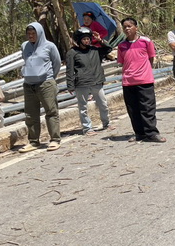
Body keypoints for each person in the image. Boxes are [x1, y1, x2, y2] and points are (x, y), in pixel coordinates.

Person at [117, 17, 166, 143]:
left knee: (147, 108)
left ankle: (152, 133)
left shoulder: (146, 41)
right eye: (125, 27)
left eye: (129, 26)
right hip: (128, 82)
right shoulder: (121, 46)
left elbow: (151, 58)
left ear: (136, 27)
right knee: (133, 109)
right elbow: (122, 62)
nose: (127, 29)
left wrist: (145, 71)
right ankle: (139, 133)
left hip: (144, 80)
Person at [19, 22, 62, 152]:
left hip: (45, 84)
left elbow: (57, 63)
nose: (31, 36)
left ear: (40, 33)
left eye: (34, 33)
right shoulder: (24, 46)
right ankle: (33, 141)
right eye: (29, 34)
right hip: (28, 85)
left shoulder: (49, 46)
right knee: (30, 115)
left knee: (51, 112)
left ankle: (55, 140)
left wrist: (49, 78)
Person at [65, 27, 115, 136]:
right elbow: (69, 70)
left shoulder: (95, 50)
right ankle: (87, 128)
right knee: (83, 107)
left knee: (103, 104)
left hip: (97, 81)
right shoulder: (72, 53)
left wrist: (100, 40)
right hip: (81, 83)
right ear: (79, 40)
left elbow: (108, 49)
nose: (87, 41)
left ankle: (106, 123)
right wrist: (70, 85)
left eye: (88, 39)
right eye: (84, 39)